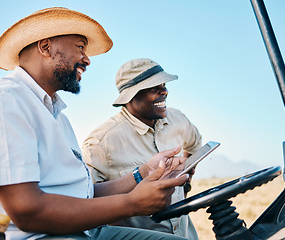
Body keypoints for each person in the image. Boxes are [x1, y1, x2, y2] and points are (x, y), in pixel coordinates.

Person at [0, 8, 192, 240]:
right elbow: (27, 211)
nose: (87, 60)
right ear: (46, 47)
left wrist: (144, 173)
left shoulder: (56, 115)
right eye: (80, 48)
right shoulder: (3, 101)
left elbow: (82, 195)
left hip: (83, 231)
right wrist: (132, 204)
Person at [82, 58, 202, 239]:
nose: (165, 92)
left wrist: (186, 179)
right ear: (130, 96)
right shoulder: (101, 143)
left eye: (164, 85)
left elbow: (194, 145)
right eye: (155, 88)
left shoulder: (178, 119)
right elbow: (86, 199)